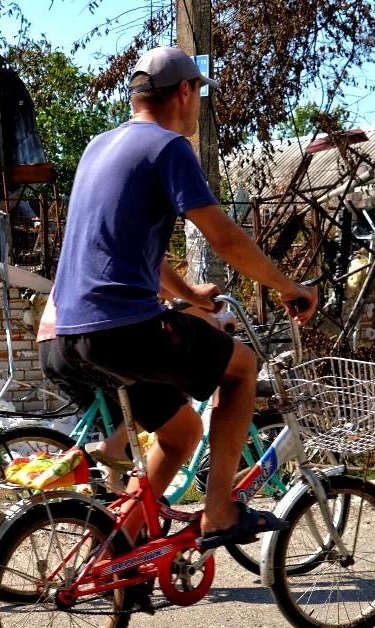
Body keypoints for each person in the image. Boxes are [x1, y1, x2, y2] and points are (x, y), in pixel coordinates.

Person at [45, 46, 317, 551]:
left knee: (180, 434)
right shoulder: (169, 148)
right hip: (123, 329)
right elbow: (224, 237)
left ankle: (115, 551)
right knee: (239, 370)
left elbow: (126, 248)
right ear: (186, 92)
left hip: (67, 335)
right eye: (199, 95)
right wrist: (288, 287)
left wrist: (188, 293)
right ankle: (219, 511)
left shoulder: (98, 147)